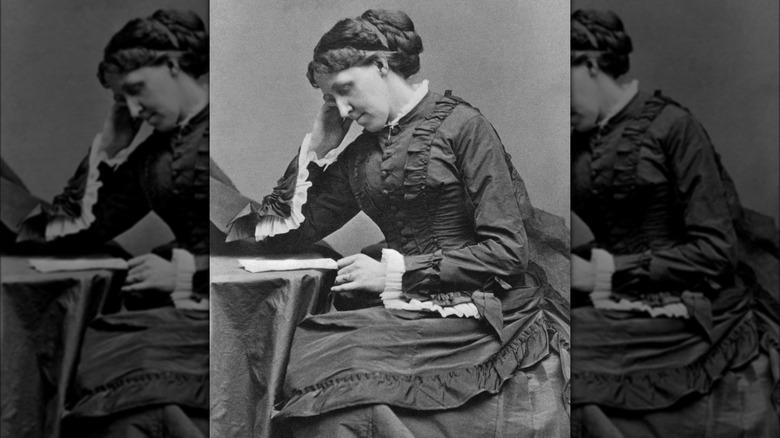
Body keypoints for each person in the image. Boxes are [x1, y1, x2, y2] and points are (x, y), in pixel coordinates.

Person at [216, 9, 570, 437]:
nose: (344, 109)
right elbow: (288, 230)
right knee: (312, 358)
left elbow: (509, 252)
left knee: (339, 381)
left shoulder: (464, 127)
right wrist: (319, 145)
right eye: (332, 100)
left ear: (381, 66)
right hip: (405, 307)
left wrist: (395, 272)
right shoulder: (361, 154)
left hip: (481, 308)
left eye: (347, 90)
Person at [569, 9, 779, 437]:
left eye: (561, 84)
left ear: (590, 65)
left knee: (562, 352)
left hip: (692, 305)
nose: (557, 101)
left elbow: (718, 250)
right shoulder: (579, 143)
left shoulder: (674, 128)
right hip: (615, 301)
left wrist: (602, 273)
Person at [19, 10, 218, 437]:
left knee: (138, 387)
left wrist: (187, 271)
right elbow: (67, 230)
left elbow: (281, 236)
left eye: (135, 90)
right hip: (186, 314)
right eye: (120, 101)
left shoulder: (240, 127)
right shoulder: (153, 158)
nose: (133, 109)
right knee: (102, 367)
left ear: (171, 66)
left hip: (244, 311)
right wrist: (107, 146)